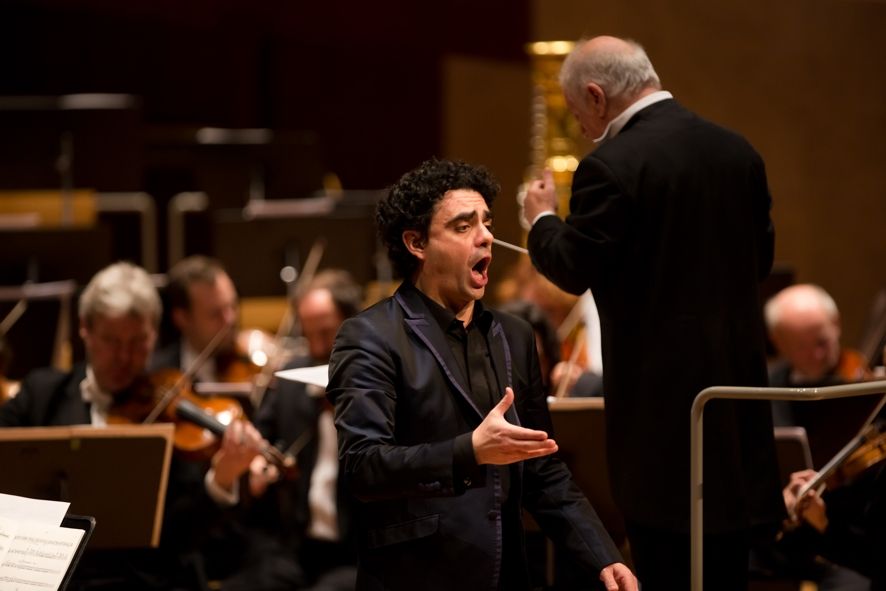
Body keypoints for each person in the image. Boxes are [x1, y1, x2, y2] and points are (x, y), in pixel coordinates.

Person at [522, 36, 785, 590]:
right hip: (737, 420)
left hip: (661, 431)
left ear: (597, 96)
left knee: (668, 572)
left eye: (576, 112)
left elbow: (571, 267)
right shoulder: (737, 151)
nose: (582, 127)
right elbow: (760, 263)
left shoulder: (609, 166)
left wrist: (542, 219)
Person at [326, 158, 637, 591]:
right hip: (416, 578)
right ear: (416, 243)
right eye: (463, 226)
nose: (486, 236)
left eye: (487, 223)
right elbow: (363, 466)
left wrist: (602, 556)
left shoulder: (515, 335)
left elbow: (542, 467)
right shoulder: (370, 335)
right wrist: (469, 450)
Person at [0, 261, 298, 591]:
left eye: (138, 342)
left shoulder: (172, 411)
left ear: (154, 335)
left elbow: (185, 536)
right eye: (111, 341)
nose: (124, 357)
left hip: (148, 579)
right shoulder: (42, 394)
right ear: (85, 329)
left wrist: (220, 480)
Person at [252, 270, 363, 591]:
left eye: (326, 333)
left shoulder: (379, 383)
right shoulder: (290, 379)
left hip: (358, 551)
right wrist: (258, 462)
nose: (317, 347)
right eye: (308, 334)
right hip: (297, 547)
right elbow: (262, 440)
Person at [765, 283, 878, 467]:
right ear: (778, 342)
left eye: (821, 342)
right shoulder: (765, 390)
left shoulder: (864, 383)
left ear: (836, 324)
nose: (816, 355)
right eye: (801, 346)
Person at [152, 255, 241, 384]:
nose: (230, 320)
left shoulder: (253, 365)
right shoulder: (157, 375)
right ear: (182, 318)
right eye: (215, 314)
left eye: (232, 306)